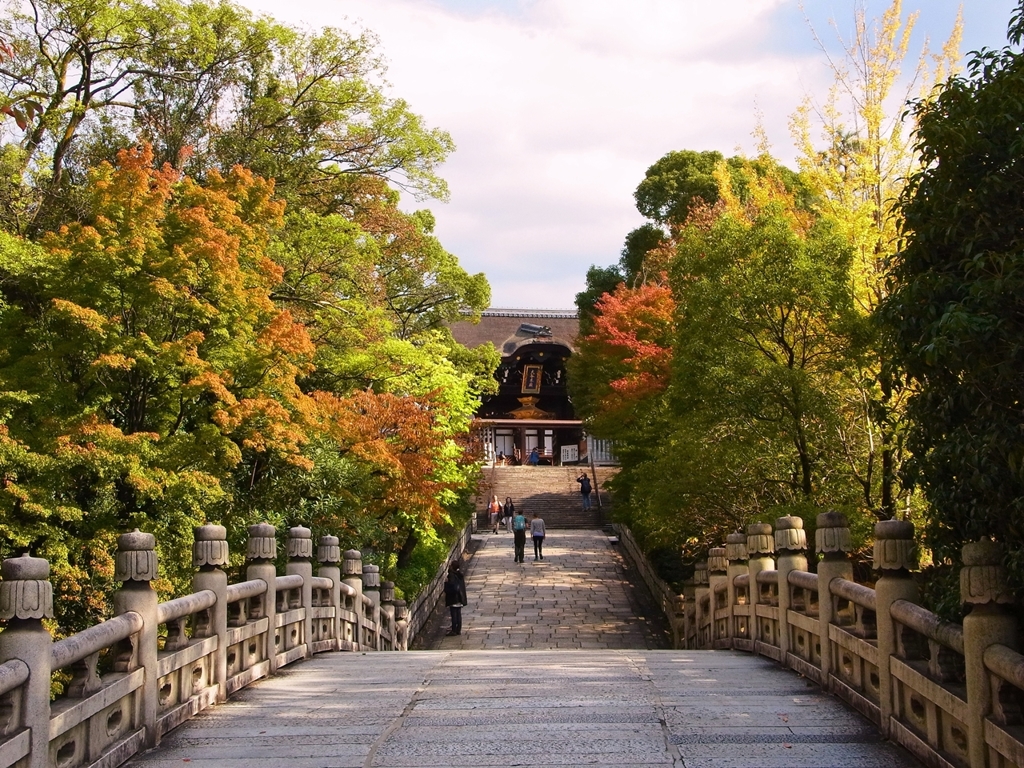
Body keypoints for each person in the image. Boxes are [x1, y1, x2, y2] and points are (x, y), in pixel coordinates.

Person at [443, 560, 467, 636]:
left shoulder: (451, 575)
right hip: (460, 598)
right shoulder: (460, 575)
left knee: (454, 615)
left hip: (454, 598)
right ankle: (458, 630)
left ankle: (454, 630)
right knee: (458, 614)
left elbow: (452, 587)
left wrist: (446, 583)